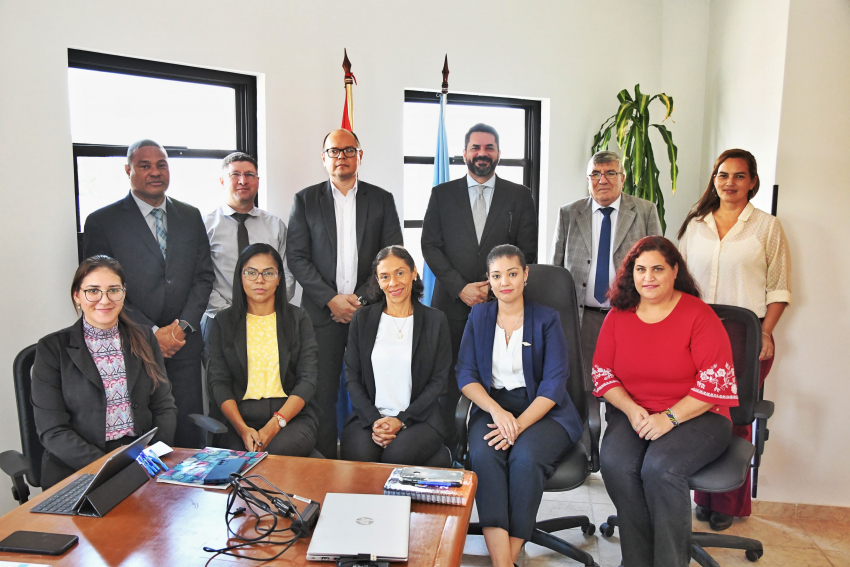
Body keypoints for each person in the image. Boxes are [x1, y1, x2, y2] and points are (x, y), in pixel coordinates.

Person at [593, 236, 738, 567]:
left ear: (675, 270)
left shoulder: (698, 314)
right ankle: (637, 561)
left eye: (658, 269)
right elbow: (602, 374)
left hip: (700, 415)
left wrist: (669, 418)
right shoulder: (617, 316)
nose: (649, 277)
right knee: (616, 465)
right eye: (640, 269)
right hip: (636, 413)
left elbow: (716, 381)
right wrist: (631, 410)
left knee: (660, 468)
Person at [678, 149, 791, 530]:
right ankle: (703, 496)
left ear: (752, 182)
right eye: (723, 175)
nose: (729, 183)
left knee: (737, 417)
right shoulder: (696, 224)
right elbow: (679, 282)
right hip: (697, 333)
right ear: (714, 180)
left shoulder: (766, 227)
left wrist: (766, 332)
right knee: (699, 413)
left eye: (739, 176)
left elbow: (779, 288)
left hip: (745, 336)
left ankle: (728, 503)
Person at [456, 245, 582, 567]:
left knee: (526, 460)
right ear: (488, 279)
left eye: (512, 273)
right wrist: (497, 413)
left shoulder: (546, 319)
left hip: (543, 411)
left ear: (525, 275)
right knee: (484, 457)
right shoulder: (479, 316)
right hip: (493, 405)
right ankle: (504, 562)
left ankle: (504, 561)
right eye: (496, 276)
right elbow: (466, 374)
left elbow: (554, 385)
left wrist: (518, 425)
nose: (505, 282)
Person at [83, 139, 214, 449]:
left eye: (161, 165)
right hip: (133, 343)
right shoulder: (103, 222)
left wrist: (181, 327)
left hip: (183, 342)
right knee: (142, 430)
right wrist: (152, 333)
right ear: (128, 170)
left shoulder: (190, 215)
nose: (155, 172)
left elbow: (203, 276)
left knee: (188, 427)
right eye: (145, 166)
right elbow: (103, 290)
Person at [286, 129, 403, 459]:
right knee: (321, 397)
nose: (341, 157)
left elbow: (391, 256)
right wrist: (330, 299)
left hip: (369, 316)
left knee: (373, 393)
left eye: (349, 150)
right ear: (324, 159)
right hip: (321, 317)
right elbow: (297, 256)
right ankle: (325, 469)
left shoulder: (381, 200)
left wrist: (361, 300)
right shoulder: (305, 200)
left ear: (360, 156)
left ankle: (369, 466)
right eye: (334, 151)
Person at [422, 123, 538, 452]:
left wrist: (491, 287)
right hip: (451, 305)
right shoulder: (442, 195)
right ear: (464, 154)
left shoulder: (520, 196)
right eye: (476, 148)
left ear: (499, 153)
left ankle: (490, 444)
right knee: (448, 380)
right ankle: (450, 449)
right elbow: (430, 245)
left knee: (495, 377)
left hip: (501, 307)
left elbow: (527, 250)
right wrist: (461, 288)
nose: (482, 154)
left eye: (489, 148)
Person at [31, 256, 177, 489]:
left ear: (123, 293)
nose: (104, 300)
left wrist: (151, 455)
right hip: (77, 470)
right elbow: (52, 430)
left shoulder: (144, 338)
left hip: (141, 462)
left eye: (113, 290)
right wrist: (107, 465)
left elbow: (164, 406)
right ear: (77, 296)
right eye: (93, 291)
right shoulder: (51, 349)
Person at [550, 150, 661, 389]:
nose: (603, 180)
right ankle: (587, 428)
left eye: (611, 173)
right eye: (595, 174)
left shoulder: (645, 211)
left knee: (627, 387)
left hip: (630, 316)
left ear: (623, 178)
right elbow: (556, 270)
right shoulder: (569, 213)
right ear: (588, 180)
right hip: (584, 318)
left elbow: (658, 267)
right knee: (583, 388)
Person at [341, 246, 451, 465]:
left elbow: (438, 382)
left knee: (395, 459)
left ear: (413, 272)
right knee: (361, 457)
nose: (393, 283)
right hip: (369, 418)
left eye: (400, 273)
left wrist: (401, 420)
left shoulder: (435, 321)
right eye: (385, 276)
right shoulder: (362, 320)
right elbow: (352, 377)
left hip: (419, 419)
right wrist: (375, 421)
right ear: (378, 281)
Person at [207, 243, 319, 456]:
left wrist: (274, 425)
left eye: (268, 273)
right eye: (251, 272)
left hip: (289, 416)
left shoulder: (298, 319)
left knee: (274, 453)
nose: (260, 280)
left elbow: (307, 380)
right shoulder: (223, 322)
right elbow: (218, 383)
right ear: (241, 277)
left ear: (278, 279)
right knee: (240, 458)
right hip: (238, 419)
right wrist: (242, 429)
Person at [202, 152, 296, 339]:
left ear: (258, 181)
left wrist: (265, 310)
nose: (243, 180)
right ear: (222, 181)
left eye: (249, 175)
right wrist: (227, 313)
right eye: (235, 174)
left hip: (268, 320)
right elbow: (199, 278)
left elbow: (288, 274)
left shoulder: (275, 225)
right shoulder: (205, 226)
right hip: (219, 321)